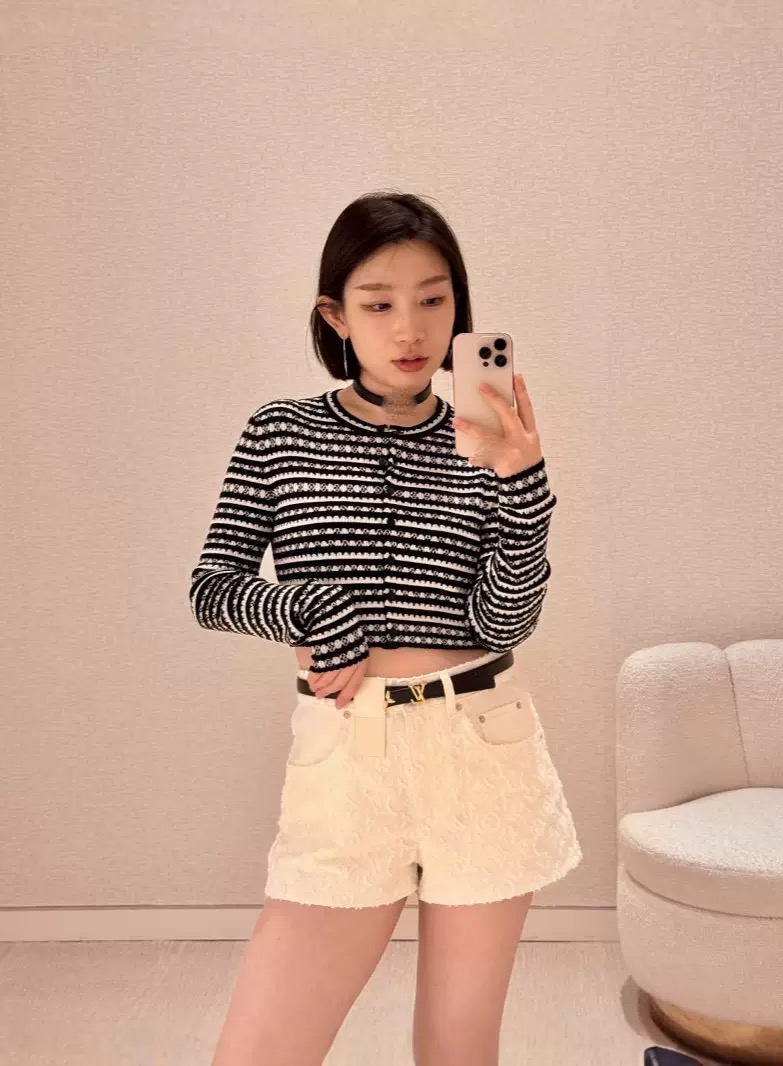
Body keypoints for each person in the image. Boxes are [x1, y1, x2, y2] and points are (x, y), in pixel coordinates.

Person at [190, 191, 583, 1066]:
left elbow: (504, 619)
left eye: (433, 299)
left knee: (458, 1046)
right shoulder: (279, 432)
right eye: (377, 304)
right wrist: (310, 608)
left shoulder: (486, 441)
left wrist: (523, 486)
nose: (410, 329)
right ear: (335, 315)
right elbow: (212, 588)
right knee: (260, 1052)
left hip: (480, 747)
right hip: (347, 755)